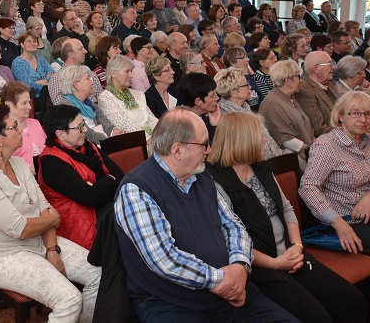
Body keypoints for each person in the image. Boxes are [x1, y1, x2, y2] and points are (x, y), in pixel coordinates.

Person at [114, 107, 298, 322]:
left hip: (231, 287)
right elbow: (165, 261)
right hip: (172, 303)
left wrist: (240, 266)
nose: (209, 150)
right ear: (177, 150)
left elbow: (233, 225)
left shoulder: (201, 176)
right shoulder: (137, 189)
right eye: (203, 144)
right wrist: (222, 280)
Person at [207, 111, 367, 323]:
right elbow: (230, 241)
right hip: (260, 267)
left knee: (353, 302)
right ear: (242, 141)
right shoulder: (215, 182)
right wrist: (276, 263)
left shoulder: (261, 167)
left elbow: (287, 209)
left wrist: (297, 247)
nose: (265, 140)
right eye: (259, 136)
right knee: (317, 318)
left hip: (292, 254)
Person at [0, 105, 102, 323]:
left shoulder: (18, 163)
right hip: (0, 256)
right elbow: (21, 229)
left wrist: (52, 249)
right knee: (70, 299)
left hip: (38, 241)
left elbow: (45, 208)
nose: (21, 128)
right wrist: (51, 220)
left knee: (99, 274)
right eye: (14, 126)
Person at [36, 104, 124, 250]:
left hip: (103, 210)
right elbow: (89, 197)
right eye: (79, 127)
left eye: (83, 124)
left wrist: (98, 187)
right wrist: (109, 179)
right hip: (79, 222)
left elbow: (120, 176)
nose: (85, 130)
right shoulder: (52, 162)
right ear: (60, 134)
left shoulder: (88, 146)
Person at [299, 91, 370, 257]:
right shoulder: (327, 146)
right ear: (340, 116)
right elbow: (308, 187)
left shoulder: (366, 141)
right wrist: (337, 222)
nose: (363, 119)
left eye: (367, 114)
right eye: (355, 113)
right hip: (347, 219)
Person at [214, 68, 284, 159]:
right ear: (234, 92)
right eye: (246, 85)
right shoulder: (225, 116)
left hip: (274, 156)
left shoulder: (244, 107)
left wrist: (281, 154)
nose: (250, 87)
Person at [258, 60, 313, 169]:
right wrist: (312, 150)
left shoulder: (289, 98)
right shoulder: (272, 103)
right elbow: (285, 139)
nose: (301, 81)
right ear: (288, 80)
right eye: (298, 76)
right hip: (294, 157)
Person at [97, 54, 159, 141]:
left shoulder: (137, 94)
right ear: (113, 73)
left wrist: (161, 135)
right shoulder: (106, 97)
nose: (131, 75)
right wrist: (148, 139)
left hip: (154, 138)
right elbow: (124, 125)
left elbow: (151, 119)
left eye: (131, 71)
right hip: (135, 142)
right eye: (127, 71)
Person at [294, 51, 339, 137]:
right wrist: (347, 134)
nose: (333, 67)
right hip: (331, 142)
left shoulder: (329, 84)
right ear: (315, 69)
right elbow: (319, 129)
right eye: (329, 64)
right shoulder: (305, 91)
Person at [178, 72, 221, 141]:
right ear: (198, 101)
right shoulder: (180, 125)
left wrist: (214, 125)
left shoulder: (206, 119)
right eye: (213, 95)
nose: (217, 98)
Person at [11, 31, 53, 96]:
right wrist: (46, 81)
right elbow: (27, 86)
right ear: (22, 44)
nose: (32, 44)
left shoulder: (41, 60)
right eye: (29, 41)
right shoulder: (17, 63)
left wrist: (38, 82)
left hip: (48, 96)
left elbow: (54, 76)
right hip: (31, 99)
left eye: (34, 41)